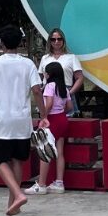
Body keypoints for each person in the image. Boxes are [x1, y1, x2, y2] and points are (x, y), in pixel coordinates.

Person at [0, 25, 48, 216]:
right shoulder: (28, 63)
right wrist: (44, 115)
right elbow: (37, 91)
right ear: (20, 42)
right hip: (22, 120)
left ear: (1, 42)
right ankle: (14, 203)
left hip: (1, 121)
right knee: (17, 161)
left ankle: (18, 195)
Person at [25, 62, 73, 195]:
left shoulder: (49, 86)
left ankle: (41, 184)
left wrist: (43, 116)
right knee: (60, 152)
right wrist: (61, 110)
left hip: (51, 119)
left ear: (49, 74)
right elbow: (69, 106)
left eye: (45, 72)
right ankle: (59, 183)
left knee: (44, 151)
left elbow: (49, 103)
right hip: (62, 119)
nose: (44, 74)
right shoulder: (64, 88)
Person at [38, 28, 83, 116]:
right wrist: (41, 90)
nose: (56, 41)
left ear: (63, 40)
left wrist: (69, 93)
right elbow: (40, 77)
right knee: (48, 120)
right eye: (53, 39)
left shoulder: (71, 57)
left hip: (65, 91)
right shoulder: (45, 58)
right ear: (49, 41)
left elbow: (80, 78)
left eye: (59, 39)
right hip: (48, 92)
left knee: (67, 119)